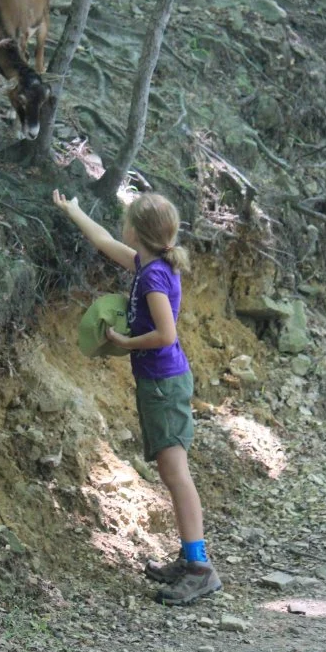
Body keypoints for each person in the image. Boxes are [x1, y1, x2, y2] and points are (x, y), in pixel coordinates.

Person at [52, 189, 221, 606]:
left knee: (175, 473)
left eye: (127, 220)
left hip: (164, 383)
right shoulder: (152, 263)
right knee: (172, 471)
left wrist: (125, 342)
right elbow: (105, 243)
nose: (122, 227)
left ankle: (200, 568)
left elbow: (167, 334)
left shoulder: (151, 276)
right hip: (162, 381)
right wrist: (74, 209)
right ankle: (190, 558)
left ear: (138, 230)